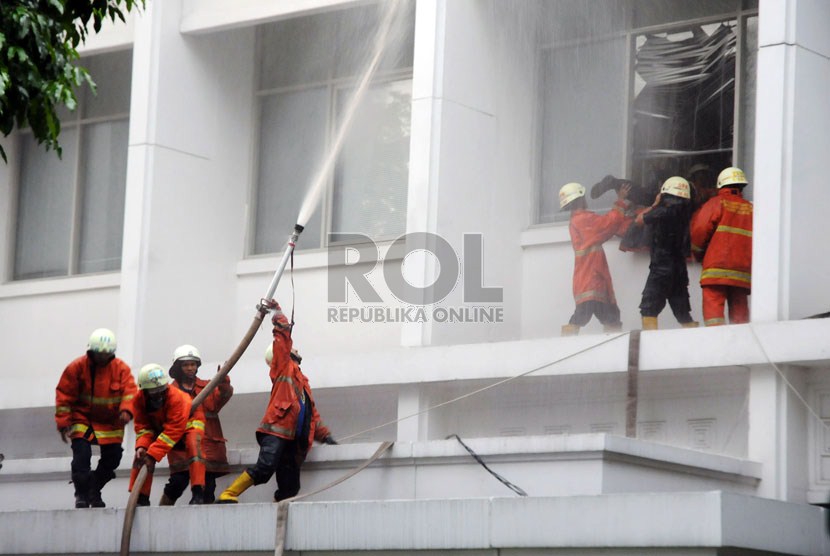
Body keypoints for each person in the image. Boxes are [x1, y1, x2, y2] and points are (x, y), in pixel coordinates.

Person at [217, 302, 337, 504]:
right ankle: (228, 494)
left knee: (290, 485)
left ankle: (278, 513)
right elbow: (282, 338)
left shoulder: (302, 382)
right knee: (265, 468)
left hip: (294, 440)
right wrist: (278, 313)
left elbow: (311, 414)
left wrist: (325, 436)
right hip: (277, 430)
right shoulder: (283, 367)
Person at [55, 328, 136, 508]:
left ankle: (94, 488)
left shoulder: (121, 369)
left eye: (106, 354)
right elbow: (64, 395)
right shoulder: (76, 367)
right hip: (81, 418)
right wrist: (63, 422)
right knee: (81, 457)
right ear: (91, 351)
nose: (102, 358)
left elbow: (130, 392)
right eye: (99, 353)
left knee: (113, 458)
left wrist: (127, 410)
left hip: (111, 421)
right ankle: (82, 494)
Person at [160, 344, 233, 505]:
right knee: (177, 483)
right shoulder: (169, 392)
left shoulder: (207, 387)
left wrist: (223, 381)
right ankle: (162, 509)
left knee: (207, 490)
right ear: (178, 367)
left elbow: (222, 397)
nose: (190, 368)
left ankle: (202, 523)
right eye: (186, 365)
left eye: (193, 364)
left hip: (206, 447)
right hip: (181, 450)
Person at [559, 181, 632, 335]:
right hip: (591, 277)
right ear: (580, 199)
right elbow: (607, 224)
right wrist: (620, 202)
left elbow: (609, 225)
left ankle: (612, 345)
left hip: (591, 276)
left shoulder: (578, 220)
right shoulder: (582, 220)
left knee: (610, 316)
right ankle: (564, 345)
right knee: (584, 314)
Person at [690, 166, 753, 326]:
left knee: (714, 309)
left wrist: (697, 253)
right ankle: (741, 345)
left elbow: (699, 230)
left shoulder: (716, 203)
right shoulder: (751, 209)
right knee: (740, 313)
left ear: (721, 185)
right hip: (742, 271)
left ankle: (716, 342)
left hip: (716, 268)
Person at [634, 176, 699, 330]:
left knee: (648, 307)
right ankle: (694, 342)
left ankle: (651, 344)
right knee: (682, 311)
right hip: (680, 271)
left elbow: (639, 220)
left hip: (661, 269)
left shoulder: (662, 212)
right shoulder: (686, 214)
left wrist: (655, 204)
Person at [128, 363, 191, 507]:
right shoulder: (139, 399)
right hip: (157, 431)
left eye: (161, 389)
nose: (158, 394)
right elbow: (143, 427)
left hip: (181, 436)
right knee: (140, 458)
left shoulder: (178, 398)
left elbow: (174, 429)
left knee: (180, 477)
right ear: (144, 391)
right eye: (154, 391)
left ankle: (165, 504)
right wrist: (142, 446)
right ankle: (140, 498)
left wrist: (153, 454)